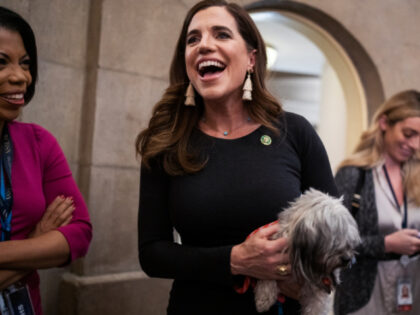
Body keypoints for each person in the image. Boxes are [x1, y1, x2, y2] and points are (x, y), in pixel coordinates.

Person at [136, 1, 337, 314]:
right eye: (193, 39)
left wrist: (315, 278)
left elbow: (341, 237)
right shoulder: (165, 141)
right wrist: (235, 260)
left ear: (251, 59)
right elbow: (151, 254)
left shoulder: (295, 132)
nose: (204, 45)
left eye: (221, 35)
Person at [0, 7, 92, 314]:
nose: (20, 76)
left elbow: (79, 233)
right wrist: (37, 242)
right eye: (2, 62)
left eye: (25, 63)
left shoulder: (39, 142)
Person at [334, 90, 420, 315]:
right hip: (364, 297)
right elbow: (333, 243)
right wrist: (386, 244)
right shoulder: (354, 175)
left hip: (412, 291)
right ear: (384, 123)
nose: (415, 145)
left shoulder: (417, 177)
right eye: (409, 134)